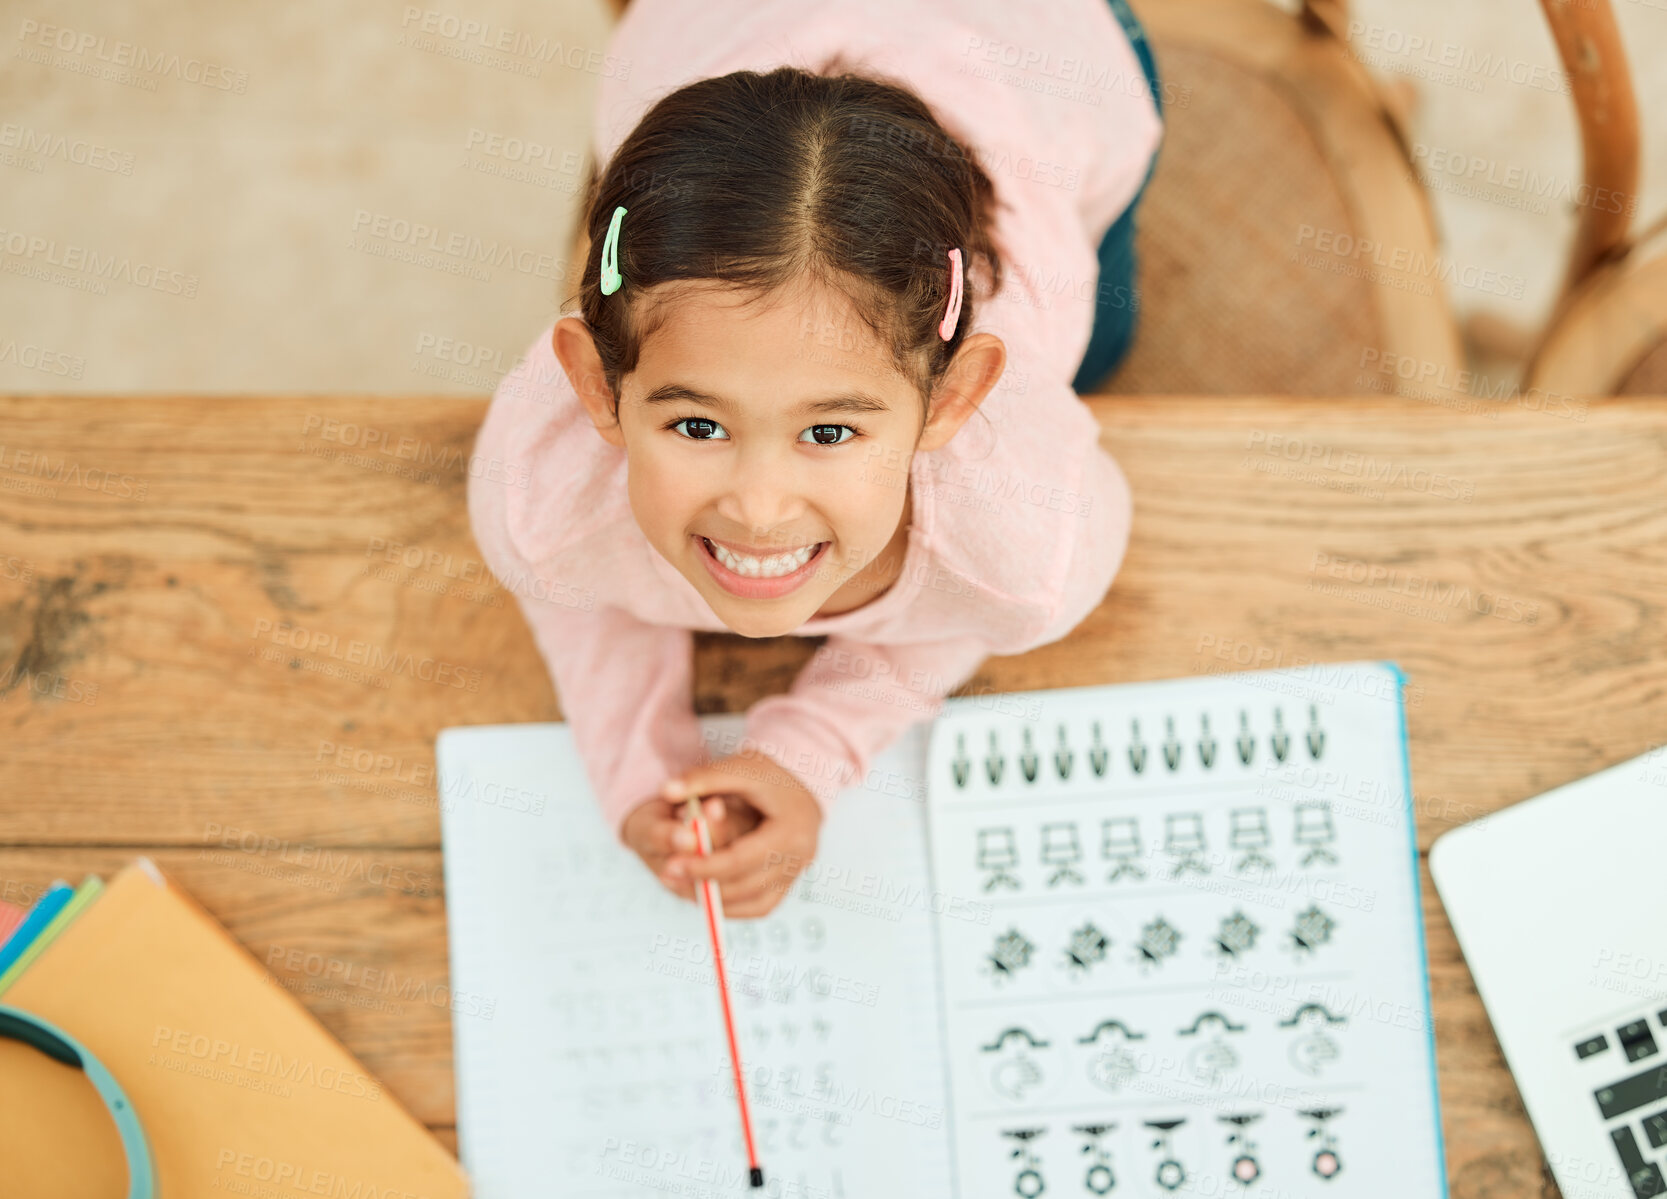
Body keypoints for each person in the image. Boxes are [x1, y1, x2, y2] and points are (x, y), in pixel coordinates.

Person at [468, 0, 1164, 916]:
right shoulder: (535, 494)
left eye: (829, 432)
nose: (759, 509)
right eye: (698, 426)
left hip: (1048, 46)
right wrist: (643, 771)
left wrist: (813, 745)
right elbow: (568, 577)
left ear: (953, 399)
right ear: (596, 385)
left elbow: (971, 607)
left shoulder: (1033, 540)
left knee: (1106, 334)